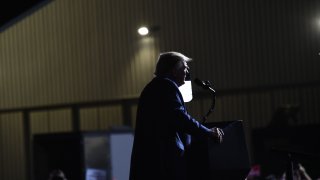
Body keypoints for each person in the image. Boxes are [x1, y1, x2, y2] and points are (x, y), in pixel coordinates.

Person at [129, 51, 224, 180]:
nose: (187, 72)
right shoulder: (166, 86)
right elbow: (180, 118)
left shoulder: (154, 87)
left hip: (152, 164)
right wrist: (208, 133)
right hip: (162, 165)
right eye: (185, 68)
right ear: (174, 70)